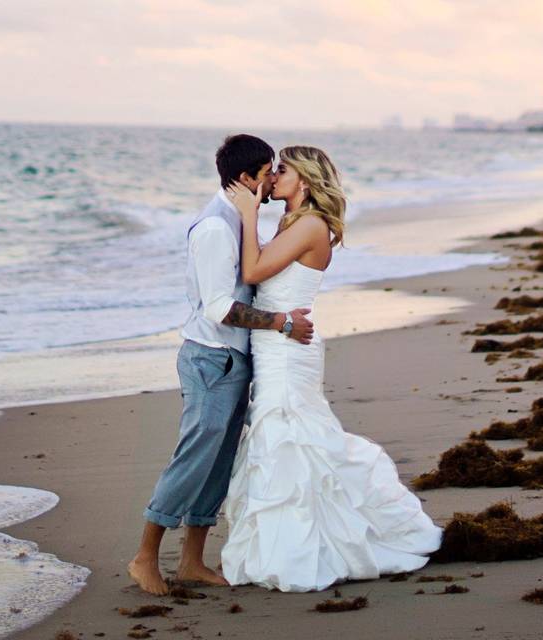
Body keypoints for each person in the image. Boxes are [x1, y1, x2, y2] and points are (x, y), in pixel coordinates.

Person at [219, 145, 443, 592]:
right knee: (289, 439)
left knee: (289, 436)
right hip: (278, 342)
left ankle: (300, 550)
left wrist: (246, 213)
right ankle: (301, 541)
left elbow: (252, 269)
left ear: (304, 181)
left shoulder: (310, 225)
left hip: (287, 350)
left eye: (283, 170)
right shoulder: (295, 223)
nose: (274, 176)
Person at [127, 135, 314, 595]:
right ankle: (145, 556)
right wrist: (281, 323)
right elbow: (218, 307)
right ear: (246, 178)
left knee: (219, 462)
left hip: (235, 358)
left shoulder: (239, 219)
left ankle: (191, 561)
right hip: (209, 359)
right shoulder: (215, 227)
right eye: (268, 172)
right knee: (194, 458)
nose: (272, 180)